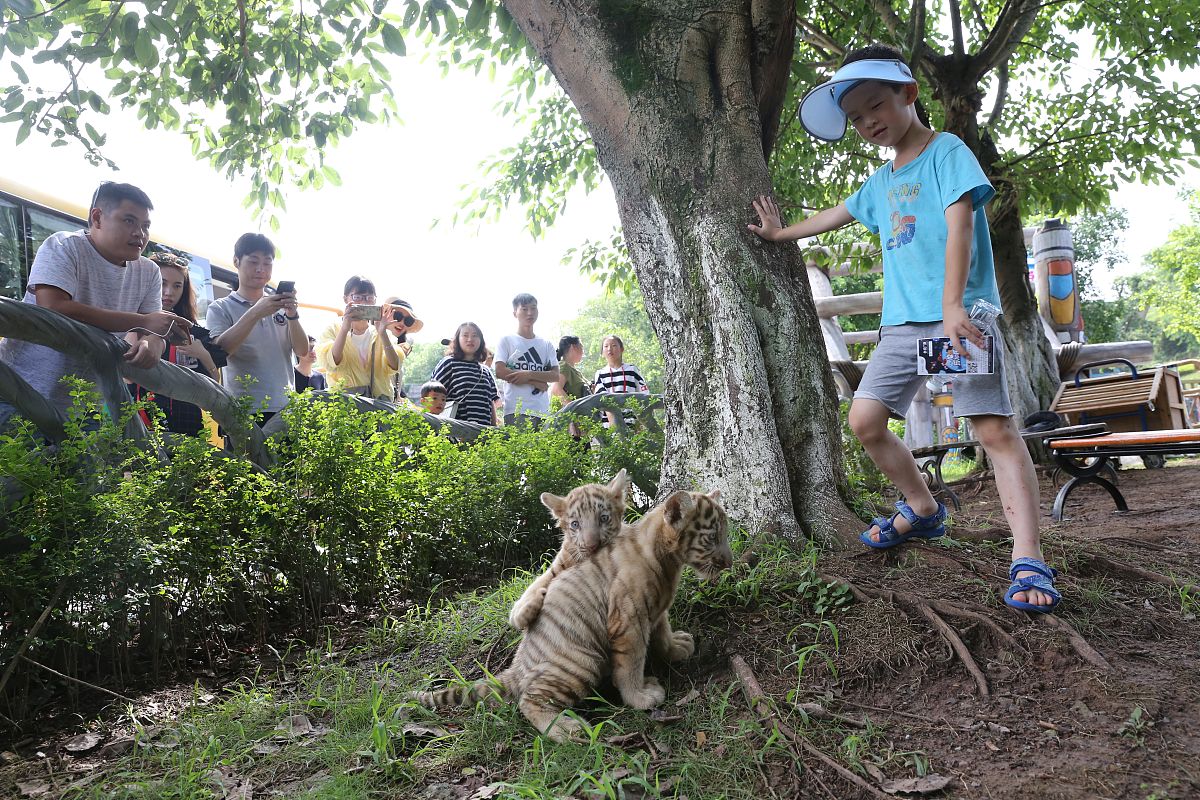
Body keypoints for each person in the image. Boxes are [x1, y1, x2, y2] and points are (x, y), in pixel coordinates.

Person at [747, 44, 1057, 613]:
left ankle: (1028, 555)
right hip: (900, 326)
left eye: (876, 106)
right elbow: (834, 215)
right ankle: (922, 508)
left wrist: (953, 305)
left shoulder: (947, 152)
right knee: (864, 421)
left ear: (909, 94)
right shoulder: (879, 183)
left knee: (993, 433)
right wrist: (778, 234)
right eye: (857, 118)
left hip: (960, 316)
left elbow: (960, 225)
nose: (868, 123)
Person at [0, 182, 190, 430]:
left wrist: (153, 343)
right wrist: (143, 322)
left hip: (86, 407)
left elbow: (152, 330)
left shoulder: (148, 271)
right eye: (129, 221)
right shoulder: (64, 246)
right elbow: (53, 307)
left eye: (145, 226)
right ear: (97, 217)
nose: (140, 234)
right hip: (20, 393)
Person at [206, 233, 307, 425]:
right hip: (244, 408)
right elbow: (219, 352)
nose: (261, 269)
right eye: (253, 261)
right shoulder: (220, 308)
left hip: (286, 407)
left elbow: (302, 351)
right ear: (236, 261)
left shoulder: (280, 306)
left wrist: (292, 314)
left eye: (267, 263)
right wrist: (255, 313)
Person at [130, 251, 228, 436]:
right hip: (140, 425)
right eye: (162, 283)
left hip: (188, 430)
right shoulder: (129, 320)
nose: (169, 292)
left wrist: (203, 355)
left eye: (177, 286)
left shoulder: (192, 330)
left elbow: (213, 385)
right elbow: (127, 377)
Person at [315, 277, 401, 401]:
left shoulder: (381, 331)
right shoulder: (333, 330)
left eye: (369, 298)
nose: (364, 302)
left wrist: (382, 333)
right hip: (345, 404)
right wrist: (344, 329)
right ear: (345, 299)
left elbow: (395, 366)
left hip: (379, 405)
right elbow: (331, 363)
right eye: (358, 297)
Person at [494, 293, 559, 428]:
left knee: (545, 449)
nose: (530, 313)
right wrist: (534, 381)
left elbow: (555, 375)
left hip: (543, 410)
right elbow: (500, 371)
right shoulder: (506, 340)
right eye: (524, 309)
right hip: (516, 410)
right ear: (515, 313)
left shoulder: (546, 344)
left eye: (533, 308)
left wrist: (528, 374)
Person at [431, 322, 499, 426]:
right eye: (465, 335)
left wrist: (494, 430)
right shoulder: (448, 363)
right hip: (456, 432)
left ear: (481, 341)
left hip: (484, 432)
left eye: (475, 335)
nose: (470, 339)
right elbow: (432, 394)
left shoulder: (486, 371)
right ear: (457, 339)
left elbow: (491, 402)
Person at [592, 334, 648, 428]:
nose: (609, 349)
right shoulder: (600, 374)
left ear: (622, 349)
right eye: (606, 346)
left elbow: (644, 395)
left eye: (614, 345)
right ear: (602, 352)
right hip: (610, 426)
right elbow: (603, 399)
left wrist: (640, 423)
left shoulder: (632, 370)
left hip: (633, 422)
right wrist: (616, 427)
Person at [381, 296, 423, 401]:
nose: (402, 323)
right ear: (386, 314)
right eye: (398, 316)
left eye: (408, 321)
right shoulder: (371, 339)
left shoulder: (402, 349)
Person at [551, 335, 588, 401]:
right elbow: (556, 389)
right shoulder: (564, 366)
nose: (583, 352)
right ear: (573, 347)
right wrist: (573, 408)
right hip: (571, 411)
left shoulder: (575, 372)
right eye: (581, 348)